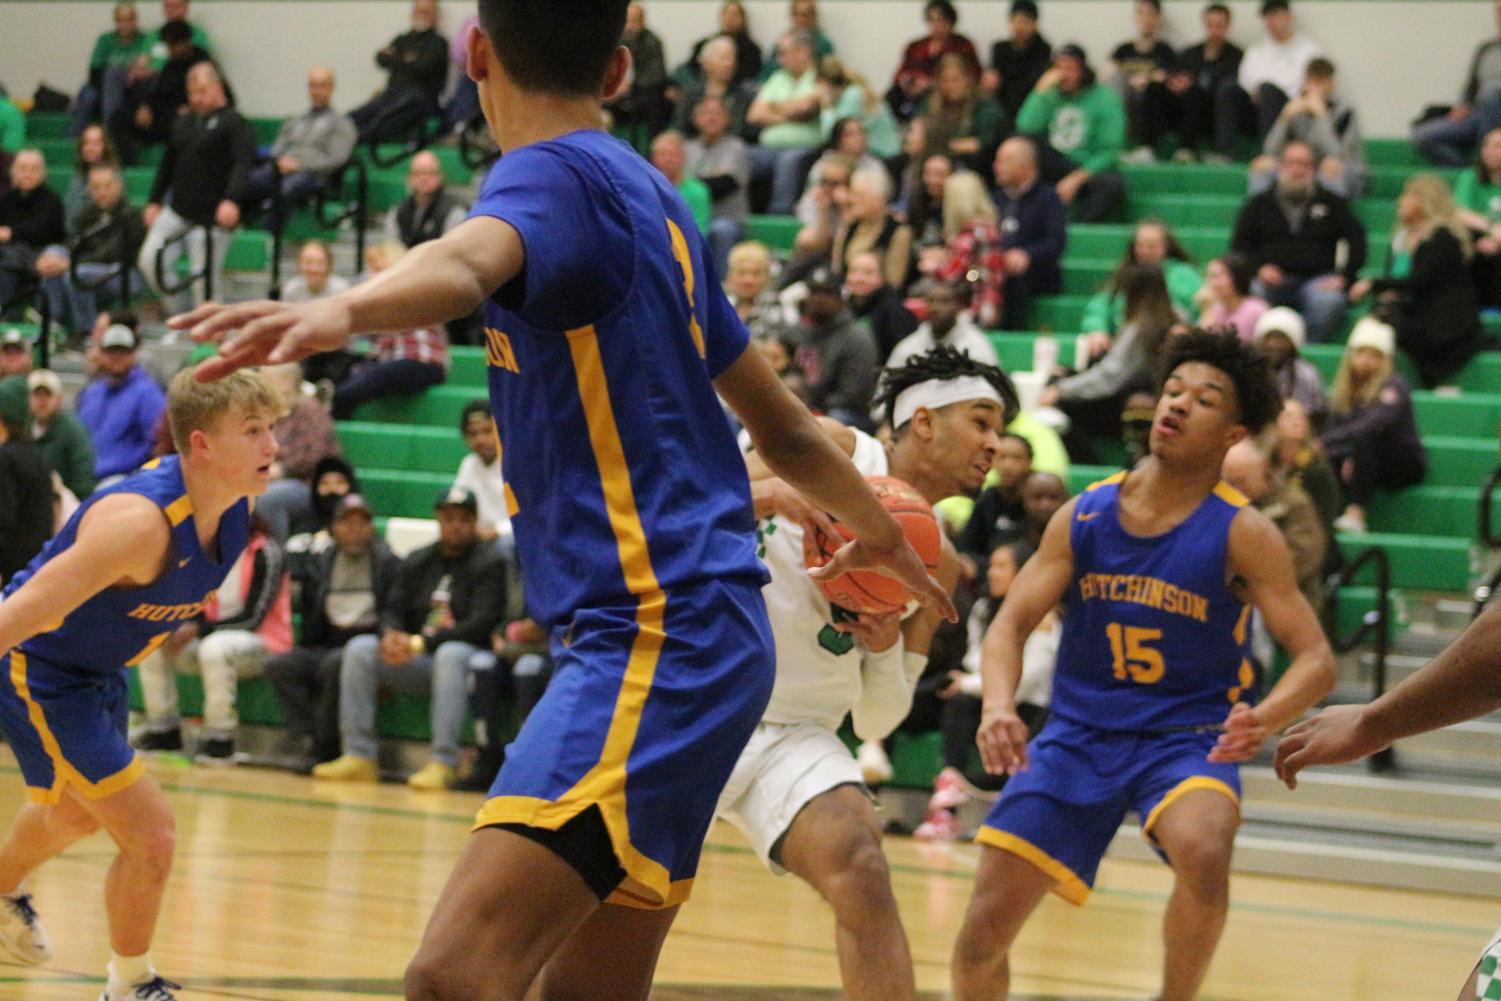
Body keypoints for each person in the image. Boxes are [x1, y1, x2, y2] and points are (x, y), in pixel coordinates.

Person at [172, 5, 953, 998]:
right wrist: (888, 535)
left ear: (477, 54)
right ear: (621, 69)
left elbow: (466, 259)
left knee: (451, 977)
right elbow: (788, 428)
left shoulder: (546, 173)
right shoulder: (659, 198)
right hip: (706, 636)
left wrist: (343, 307)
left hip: (654, 632)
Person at [951, 330, 1336, 1001]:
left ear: (1233, 432)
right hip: (1075, 733)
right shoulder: (1086, 513)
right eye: (1172, 390)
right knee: (979, 937)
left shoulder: (1244, 531)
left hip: (1185, 738)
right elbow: (1009, 623)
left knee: (1204, 846)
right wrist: (996, 705)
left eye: (1204, 399)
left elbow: (1316, 659)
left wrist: (1263, 717)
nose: (1178, 405)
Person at [723, 346, 1012, 1001]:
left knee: (859, 858)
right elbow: (686, 499)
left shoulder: (935, 562)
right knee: (599, 897)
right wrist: (769, 494)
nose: (995, 443)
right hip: (698, 696)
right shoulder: (826, 447)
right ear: (923, 421)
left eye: (1000, 430)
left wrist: (882, 646)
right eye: (982, 420)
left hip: (796, 729)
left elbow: (877, 719)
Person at [0, 367, 277, 1001]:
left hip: (98, 672)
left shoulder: (240, 503)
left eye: (271, 429)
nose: (272, 447)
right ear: (201, 444)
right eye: (254, 431)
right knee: (150, 833)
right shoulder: (136, 524)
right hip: (40, 670)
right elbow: (24, 612)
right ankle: (131, 984)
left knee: (72, 815)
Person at [312, 487, 507, 790]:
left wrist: (420, 644)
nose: (455, 525)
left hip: (467, 663)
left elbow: (482, 623)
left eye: (463, 519)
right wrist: (392, 636)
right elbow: (392, 608)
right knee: (360, 649)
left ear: (474, 522)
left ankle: (444, 761)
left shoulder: (490, 562)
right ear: (438, 520)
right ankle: (358, 755)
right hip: (420, 660)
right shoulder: (419, 560)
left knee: (451, 653)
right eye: (448, 518)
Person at [914, 538, 1057, 841]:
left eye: (1002, 566)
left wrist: (967, 683)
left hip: (1033, 706)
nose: (992, 573)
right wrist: (969, 684)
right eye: (991, 566)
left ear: (1023, 573)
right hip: (990, 697)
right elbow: (975, 660)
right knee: (958, 702)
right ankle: (948, 802)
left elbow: (1026, 682)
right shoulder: (983, 608)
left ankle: (988, 797)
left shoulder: (1045, 616)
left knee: (967, 695)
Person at [132, 515, 292, 761]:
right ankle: (164, 729)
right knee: (154, 642)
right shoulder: (206, 551)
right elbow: (193, 601)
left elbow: (253, 617)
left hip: (263, 645)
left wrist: (199, 629)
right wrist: (179, 625)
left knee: (214, 648)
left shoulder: (267, 553)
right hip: (211, 640)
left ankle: (220, 737)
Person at [265, 492, 398, 771]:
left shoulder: (387, 563)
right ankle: (308, 733)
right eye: (346, 523)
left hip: (366, 646)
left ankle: (325, 747)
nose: (354, 530)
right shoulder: (321, 561)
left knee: (336, 664)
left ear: (371, 527)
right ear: (333, 528)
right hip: (326, 643)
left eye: (362, 523)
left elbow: (393, 611)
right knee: (279, 665)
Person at [136, 62, 254, 316]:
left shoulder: (235, 123)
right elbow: (167, 164)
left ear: (218, 87)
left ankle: (208, 329)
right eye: (192, 93)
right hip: (178, 211)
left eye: (203, 91)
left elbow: (242, 164)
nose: (197, 99)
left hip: (212, 219)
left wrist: (232, 200)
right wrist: (154, 200)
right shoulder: (183, 123)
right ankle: (180, 315)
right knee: (150, 259)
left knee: (205, 279)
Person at [1350, 174, 1489, 388]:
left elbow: (1421, 281)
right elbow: (1398, 278)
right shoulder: (1402, 237)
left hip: (1444, 320)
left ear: (1424, 201)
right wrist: (1387, 291)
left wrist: (1374, 284)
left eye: (1407, 195)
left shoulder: (1442, 237)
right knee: (1382, 313)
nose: (1400, 201)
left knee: (1388, 317)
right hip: (1414, 307)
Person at [1230, 140, 1367, 342]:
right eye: (1291, 163)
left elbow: (1357, 239)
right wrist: (1259, 268)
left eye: (1304, 164)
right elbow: (1239, 246)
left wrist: (1346, 277)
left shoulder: (1332, 202)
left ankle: (1304, 347)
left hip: (1318, 280)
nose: (1297, 169)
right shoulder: (1258, 203)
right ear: (1280, 166)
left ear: (1314, 169)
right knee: (1253, 294)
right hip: (1270, 281)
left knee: (1330, 302)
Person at [1040, 264, 1179, 460]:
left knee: (1062, 400)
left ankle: (1087, 460)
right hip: (1139, 393)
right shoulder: (1174, 317)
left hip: (1123, 402)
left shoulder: (1140, 329)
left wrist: (1061, 389)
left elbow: (1108, 378)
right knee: (1064, 375)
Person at [1320, 317, 1427, 535]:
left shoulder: (1394, 386)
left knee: (1365, 439)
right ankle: (1321, 517)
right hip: (1361, 459)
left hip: (1401, 462)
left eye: (1374, 355)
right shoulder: (1342, 391)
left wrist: (1332, 446)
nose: (1366, 361)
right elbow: (1334, 429)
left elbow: (1373, 426)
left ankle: (1356, 512)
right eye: (1361, 353)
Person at [329, 242, 448, 421]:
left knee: (344, 394)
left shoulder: (413, 289)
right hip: (393, 363)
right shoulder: (381, 298)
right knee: (341, 383)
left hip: (421, 363)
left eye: (377, 268)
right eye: (371, 268)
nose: (371, 275)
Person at [1015, 45, 1126, 224]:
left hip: (1086, 166)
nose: (1064, 75)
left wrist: (1076, 179)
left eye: (1070, 69)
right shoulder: (1049, 95)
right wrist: (1039, 91)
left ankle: (1080, 225)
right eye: (1059, 69)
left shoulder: (1105, 99)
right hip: (1055, 161)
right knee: (1021, 146)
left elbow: (1110, 150)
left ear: (1083, 71)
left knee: (1112, 183)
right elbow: (1025, 128)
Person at [36, 165, 147, 344]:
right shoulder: (88, 213)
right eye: (96, 187)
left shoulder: (131, 215)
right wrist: (55, 260)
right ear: (89, 190)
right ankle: (52, 321)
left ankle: (86, 331)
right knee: (52, 252)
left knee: (78, 274)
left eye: (107, 186)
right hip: (89, 266)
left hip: (124, 273)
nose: (102, 192)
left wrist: (69, 265)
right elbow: (73, 242)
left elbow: (113, 253)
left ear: (118, 186)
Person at [243, 68, 357, 231]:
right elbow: (277, 149)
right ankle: (240, 226)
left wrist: (299, 165)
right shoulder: (295, 120)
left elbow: (336, 159)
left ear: (332, 88)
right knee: (248, 181)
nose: (316, 91)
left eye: (322, 86)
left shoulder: (342, 124)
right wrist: (281, 162)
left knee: (289, 187)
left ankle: (269, 236)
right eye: (312, 86)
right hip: (281, 169)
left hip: (314, 176)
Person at [1221, 437, 1325, 612]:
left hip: (1282, 605)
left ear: (1262, 469)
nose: (1235, 491)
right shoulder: (1222, 504)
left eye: (1241, 482)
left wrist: (1244, 576)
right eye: (1229, 483)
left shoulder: (1294, 504)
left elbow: (1302, 558)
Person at [1248, 58, 1367, 200]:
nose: (1314, 88)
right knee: (1262, 165)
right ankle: (1259, 216)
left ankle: (1331, 217)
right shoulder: (1296, 109)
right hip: (1306, 167)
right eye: (1310, 82)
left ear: (1331, 85)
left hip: (1346, 172)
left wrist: (1321, 116)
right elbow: (1270, 150)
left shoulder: (1346, 113)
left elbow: (1338, 154)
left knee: (1330, 166)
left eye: (1320, 83)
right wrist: (1284, 118)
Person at [1079, 219, 1202, 346]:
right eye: (1140, 245)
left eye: (1151, 246)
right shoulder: (1125, 275)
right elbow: (1099, 307)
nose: (1145, 251)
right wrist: (1097, 330)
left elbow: (1202, 310)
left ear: (1165, 247)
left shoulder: (1185, 276)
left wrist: (1187, 330)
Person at [1411, 0, 1501, 167]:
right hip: (1479, 115)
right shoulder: (1486, 49)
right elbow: (1472, 85)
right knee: (1423, 135)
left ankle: (1485, 162)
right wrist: (1462, 105)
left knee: (1491, 94)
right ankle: (1470, 172)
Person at [990, 137, 1066, 331]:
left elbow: (1056, 242)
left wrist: (1027, 254)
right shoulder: (995, 198)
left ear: (1027, 168)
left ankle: (1011, 335)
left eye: (1004, 161)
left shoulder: (1048, 198)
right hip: (996, 267)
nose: (996, 166)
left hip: (1036, 272)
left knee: (1013, 279)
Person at [76, 322, 165, 485]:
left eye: (123, 351)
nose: (116, 357)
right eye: (111, 351)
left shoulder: (148, 394)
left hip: (125, 479)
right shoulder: (91, 393)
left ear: (134, 355)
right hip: (85, 478)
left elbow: (158, 444)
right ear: (101, 355)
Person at [1153, 3, 1244, 163]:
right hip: (1183, 111)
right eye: (1210, 25)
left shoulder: (1238, 56)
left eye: (1219, 25)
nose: (1214, 30)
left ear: (1227, 26)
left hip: (1215, 114)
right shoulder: (1189, 54)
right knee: (1155, 87)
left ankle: (1188, 149)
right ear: (1204, 24)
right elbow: (1175, 77)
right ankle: (1149, 147)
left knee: (1195, 92)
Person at [348, 0, 449, 144]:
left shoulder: (439, 43)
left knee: (385, 118)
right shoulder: (402, 39)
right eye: (418, 11)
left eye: (425, 12)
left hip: (419, 98)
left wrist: (396, 58)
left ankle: (360, 138)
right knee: (358, 115)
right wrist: (407, 59)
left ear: (435, 15)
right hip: (392, 93)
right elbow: (380, 58)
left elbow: (423, 67)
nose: (420, 16)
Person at [748, 30, 825, 216]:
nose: (780, 60)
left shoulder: (821, 76)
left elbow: (806, 107)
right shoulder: (777, 78)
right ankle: (740, 213)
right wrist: (791, 114)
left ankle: (779, 217)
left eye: (784, 53)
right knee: (741, 156)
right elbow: (754, 115)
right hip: (767, 148)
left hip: (807, 148)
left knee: (788, 161)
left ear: (803, 52)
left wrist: (773, 107)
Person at [794, 266, 881, 428]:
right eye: (813, 292)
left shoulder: (857, 337)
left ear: (840, 299)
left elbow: (854, 396)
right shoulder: (797, 332)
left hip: (848, 413)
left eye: (826, 294)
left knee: (833, 420)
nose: (818, 299)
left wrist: (812, 407)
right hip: (805, 406)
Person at [685, 97, 752, 278]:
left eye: (717, 114)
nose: (711, 119)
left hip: (725, 217)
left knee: (720, 230)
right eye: (706, 114)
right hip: (692, 216)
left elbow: (722, 186)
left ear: (727, 119)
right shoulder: (687, 148)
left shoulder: (735, 147)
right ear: (695, 119)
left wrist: (692, 182)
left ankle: (724, 287)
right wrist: (709, 178)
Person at [1237, 0, 1322, 139]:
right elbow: (1245, 81)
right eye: (1268, 16)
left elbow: (1315, 85)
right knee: (1229, 90)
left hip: (1294, 110)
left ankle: (1268, 151)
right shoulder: (1256, 51)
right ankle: (1227, 151)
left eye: (1276, 15)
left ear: (1288, 16)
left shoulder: (1309, 50)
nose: (1272, 21)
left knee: (1268, 90)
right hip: (1257, 108)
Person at [1108, 0, 1178, 163]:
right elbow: (1107, 75)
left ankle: (1147, 149)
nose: (1146, 19)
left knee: (1153, 87)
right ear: (1136, 17)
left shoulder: (1164, 50)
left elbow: (1164, 77)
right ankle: (1114, 143)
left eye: (1150, 14)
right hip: (1125, 101)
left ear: (1158, 18)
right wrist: (1128, 80)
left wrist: (1144, 79)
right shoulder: (1123, 49)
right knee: (1118, 81)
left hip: (1151, 106)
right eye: (1142, 13)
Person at [887, 1, 980, 123]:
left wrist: (931, 83)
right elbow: (900, 73)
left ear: (950, 22)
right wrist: (908, 82)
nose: (936, 26)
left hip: (941, 93)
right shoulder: (916, 46)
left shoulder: (962, 45)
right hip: (911, 94)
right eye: (932, 20)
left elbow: (973, 76)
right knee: (891, 96)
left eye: (941, 20)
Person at [71, 3, 152, 140]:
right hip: (104, 86)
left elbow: (148, 71)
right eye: (121, 20)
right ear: (116, 22)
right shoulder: (105, 40)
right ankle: (71, 140)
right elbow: (94, 73)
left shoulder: (145, 40)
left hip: (132, 88)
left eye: (129, 20)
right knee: (88, 94)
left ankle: (111, 134)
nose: (125, 24)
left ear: (135, 21)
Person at [918, 53, 1008, 175]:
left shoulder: (985, 106)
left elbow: (981, 144)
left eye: (956, 79)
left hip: (971, 165)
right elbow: (917, 133)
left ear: (968, 79)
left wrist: (939, 146)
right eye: (945, 80)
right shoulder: (931, 104)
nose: (951, 86)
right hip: (931, 163)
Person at [0, 151, 67, 311]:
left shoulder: (51, 200)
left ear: (43, 173)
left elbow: (42, 230)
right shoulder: (8, 199)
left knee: (10, 258)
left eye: (34, 169)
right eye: (23, 169)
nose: (28, 174)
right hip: (12, 255)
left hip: (43, 255)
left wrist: (11, 233)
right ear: (13, 173)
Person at [958, 432, 1035, 566]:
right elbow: (967, 548)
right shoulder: (987, 499)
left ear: (1029, 462)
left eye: (1016, 458)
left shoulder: (1039, 498)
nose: (1008, 465)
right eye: (1002, 457)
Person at [830, 165, 912, 290]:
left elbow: (894, 282)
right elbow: (836, 269)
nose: (852, 200)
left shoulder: (898, 232)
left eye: (859, 195)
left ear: (879, 199)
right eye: (852, 194)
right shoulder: (849, 226)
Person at [887, 280, 998, 371]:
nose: (935, 308)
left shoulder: (976, 346)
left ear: (958, 306)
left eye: (944, 301)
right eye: (930, 301)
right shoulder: (908, 347)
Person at [0, 406, 54, 583]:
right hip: (38, 557)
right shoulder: (34, 452)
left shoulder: (6, 457)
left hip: (13, 561)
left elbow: (4, 515)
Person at [605, 2, 670, 143]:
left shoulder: (652, 41)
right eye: (626, 21)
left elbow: (655, 74)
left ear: (642, 22)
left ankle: (652, 148)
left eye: (634, 21)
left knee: (654, 104)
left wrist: (629, 86)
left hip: (640, 92)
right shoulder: (612, 39)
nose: (629, 26)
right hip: (613, 91)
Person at [28, 369, 96, 504]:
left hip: (64, 502)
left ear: (59, 399)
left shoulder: (74, 431)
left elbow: (83, 482)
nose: (42, 401)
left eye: (47, 395)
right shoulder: (20, 428)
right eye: (37, 395)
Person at [671, 36, 757, 140]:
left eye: (732, 58)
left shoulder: (742, 94)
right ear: (705, 63)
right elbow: (680, 127)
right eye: (723, 58)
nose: (728, 64)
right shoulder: (691, 93)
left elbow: (737, 129)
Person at [1252, 306, 1325, 426]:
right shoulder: (1251, 371)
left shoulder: (1306, 374)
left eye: (1280, 338)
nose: (1273, 344)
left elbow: (1314, 417)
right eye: (1268, 337)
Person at [818, 61, 903, 162]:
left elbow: (831, 134)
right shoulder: (856, 91)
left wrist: (825, 106)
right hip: (882, 153)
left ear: (823, 83)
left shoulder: (853, 94)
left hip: (884, 156)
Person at [383, 151, 469, 249]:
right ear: (409, 178)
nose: (424, 178)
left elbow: (451, 254)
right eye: (418, 173)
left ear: (440, 177)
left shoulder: (454, 212)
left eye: (430, 173)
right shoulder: (398, 210)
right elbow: (391, 248)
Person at [1455, 127, 1501, 308]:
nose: (1490, 151)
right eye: (1486, 145)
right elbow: (1460, 212)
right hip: (1479, 238)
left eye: (1497, 146)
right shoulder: (1470, 177)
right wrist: (1493, 230)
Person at [844, 251, 918, 363]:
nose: (859, 279)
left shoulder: (896, 312)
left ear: (882, 277)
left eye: (868, 273)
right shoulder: (841, 308)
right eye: (854, 271)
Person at [453, 400, 510, 543]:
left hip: (509, 536)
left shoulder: (515, 464)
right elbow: (460, 506)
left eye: (487, 431)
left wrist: (498, 531)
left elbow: (528, 516)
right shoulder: (468, 464)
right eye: (473, 434)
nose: (480, 440)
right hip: (477, 536)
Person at [985, 1, 1052, 122]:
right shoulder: (1000, 48)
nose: (1020, 27)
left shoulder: (1043, 50)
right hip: (1001, 105)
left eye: (1025, 22)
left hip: (1028, 104)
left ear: (1035, 24)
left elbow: (1034, 83)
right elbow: (993, 78)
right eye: (1016, 21)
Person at [678, 2, 762, 90]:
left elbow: (748, 76)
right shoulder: (705, 44)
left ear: (742, 18)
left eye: (734, 14)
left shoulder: (752, 50)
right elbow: (691, 67)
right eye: (726, 14)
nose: (730, 19)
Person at [725, 240, 794, 341]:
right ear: (730, 277)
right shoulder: (723, 306)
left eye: (756, 273)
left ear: (767, 277)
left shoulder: (775, 307)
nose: (748, 280)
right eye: (741, 273)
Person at [1196, 252, 1267, 343]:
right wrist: (1207, 309)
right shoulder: (1215, 309)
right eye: (1208, 277)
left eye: (1216, 276)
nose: (1211, 283)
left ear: (1236, 277)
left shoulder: (1256, 310)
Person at [651, 131, 712, 236]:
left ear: (684, 157)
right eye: (662, 154)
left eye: (673, 155)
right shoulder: (645, 188)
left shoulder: (698, 191)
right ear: (653, 159)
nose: (668, 160)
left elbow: (699, 232)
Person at [64, 126, 121, 227]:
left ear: (105, 147)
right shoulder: (78, 176)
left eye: (96, 144)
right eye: (86, 143)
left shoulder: (114, 176)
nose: (90, 148)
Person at [281, 240, 350, 304]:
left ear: (329, 265)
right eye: (308, 262)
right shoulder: (291, 290)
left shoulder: (342, 290)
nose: (314, 269)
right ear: (299, 265)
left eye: (320, 263)